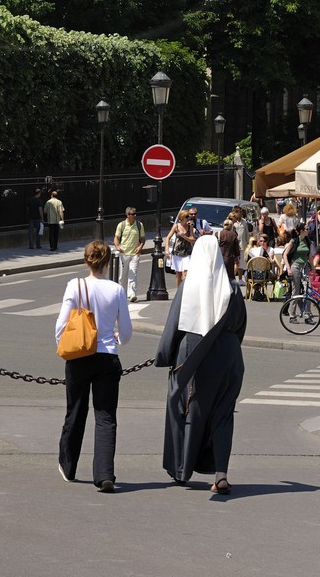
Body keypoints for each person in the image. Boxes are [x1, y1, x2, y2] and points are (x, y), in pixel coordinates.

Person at [155, 230, 247, 496]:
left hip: (196, 352)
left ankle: (182, 469)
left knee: (189, 409)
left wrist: (165, 354)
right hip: (230, 355)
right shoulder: (231, 287)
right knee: (223, 414)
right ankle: (221, 474)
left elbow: (174, 326)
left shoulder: (191, 285)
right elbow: (241, 325)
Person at [54, 238, 132, 491]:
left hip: (78, 356)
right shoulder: (117, 290)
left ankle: (69, 466)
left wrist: (66, 346)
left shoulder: (75, 286)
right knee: (106, 416)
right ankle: (105, 474)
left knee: (75, 411)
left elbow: (61, 325)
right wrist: (117, 338)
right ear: (108, 262)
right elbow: (127, 332)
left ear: (86, 261)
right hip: (107, 356)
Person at [113, 206, 145, 302]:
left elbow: (143, 238)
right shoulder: (121, 225)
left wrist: (140, 247)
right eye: (132, 214)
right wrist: (117, 247)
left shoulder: (139, 225)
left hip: (135, 254)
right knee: (123, 275)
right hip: (124, 253)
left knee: (133, 274)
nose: (134, 216)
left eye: (135, 214)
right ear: (127, 215)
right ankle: (122, 293)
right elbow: (116, 237)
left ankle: (132, 294)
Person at [166, 208, 196, 284]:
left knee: (186, 273)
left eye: (189, 216)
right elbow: (168, 237)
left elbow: (192, 239)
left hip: (187, 252)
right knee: (178, 274)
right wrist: (167, 250)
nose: (189, 218)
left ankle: (185, 290)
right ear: (182, 217)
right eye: (187, 217)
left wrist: (184, 236)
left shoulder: (190, 226)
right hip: (177, 252)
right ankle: (179, 290)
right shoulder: (176, 226)